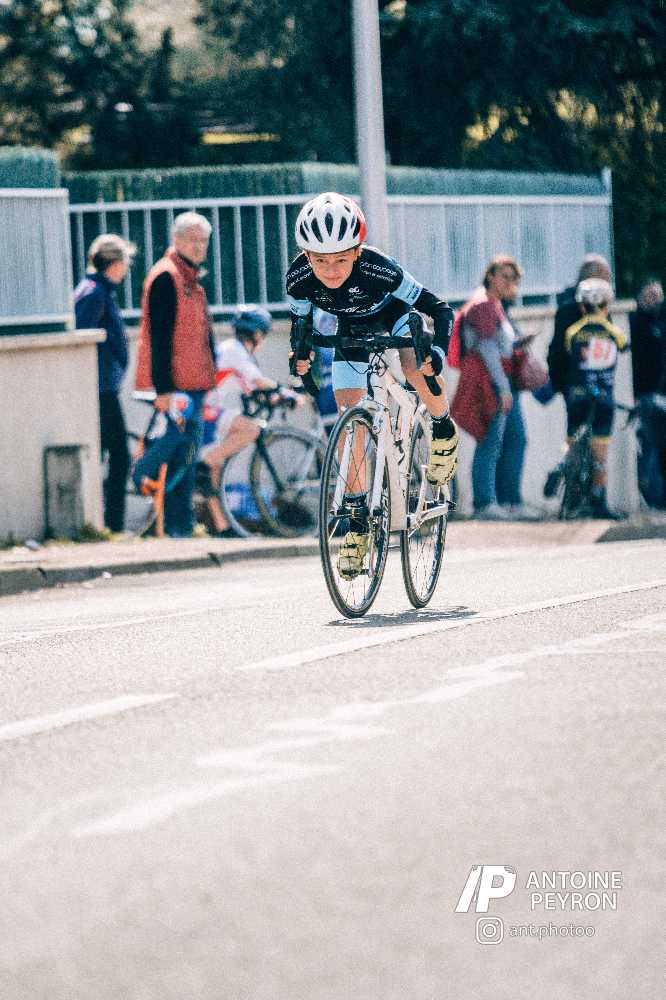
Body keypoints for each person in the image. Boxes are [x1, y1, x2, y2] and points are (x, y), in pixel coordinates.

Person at [286, 191, 457, 579]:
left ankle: (444, 429)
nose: (331, 270)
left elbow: (439, 309)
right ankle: (358, 520)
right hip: (351, 329)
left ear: (357, 251)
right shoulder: (298, 278)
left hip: (396, 318)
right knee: (350, 423)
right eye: (320, 261)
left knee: (415, 369)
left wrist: (438, 352)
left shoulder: (379, 269)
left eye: (341, 259)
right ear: (306, 256)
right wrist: (301, 355)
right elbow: (301, 326)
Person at [134, 212, 217, 537]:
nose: (199, 247)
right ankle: (171, 520)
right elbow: (159, 336)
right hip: (176, 387)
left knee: (187, 454)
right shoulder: (167, 277)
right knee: (178, 451)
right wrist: (164, 389)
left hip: (193, 383)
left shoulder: (190, 278)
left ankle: (179, 525)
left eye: (203, 241)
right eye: (192, 240)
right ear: (176, 240)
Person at [196, 305, 301, 535]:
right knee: (252, 429)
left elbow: (251, 388)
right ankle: (203, 464)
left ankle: (222, 527)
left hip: (205, 408)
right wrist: (289, 395)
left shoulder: (234, 350)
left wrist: (276, 397)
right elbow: (258, 381)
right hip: (204, 409)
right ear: (257, 334)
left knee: (215, 469)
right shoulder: (235, 351)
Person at [453, 256, 537, 520]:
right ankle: (485, 503)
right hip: (490, 383)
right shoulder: (483, 305)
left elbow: (499, 346)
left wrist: (517, 345)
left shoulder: (495, 305)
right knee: (490, 442)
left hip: (500, 381)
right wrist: (503, 389)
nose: (510, 282)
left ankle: (510, 501)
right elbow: (487, 349)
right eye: (505, 276)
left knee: (514, 439)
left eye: (514, 278)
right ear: (490, 276)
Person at [543, 277, 628, 519]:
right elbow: (623, 345)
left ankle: (562, 463)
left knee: (572, 438)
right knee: (600, 450)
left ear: (582, 306)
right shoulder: (613, 332)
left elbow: (568, 348)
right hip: (603, 396)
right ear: (607, 305)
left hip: (577, 393)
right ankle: (599, 501)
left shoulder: (573, 331)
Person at [74, 233, 135, 534]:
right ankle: (112, 524)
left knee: (105, 453)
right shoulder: (95, 293)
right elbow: (82, 339)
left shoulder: (97, 290)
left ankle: (101, 522)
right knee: (119, 456)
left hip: (103, 386)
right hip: (100, 389)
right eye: (125, 261)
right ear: (115, 263)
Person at [548, 253, 612, 398]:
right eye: (605, 276)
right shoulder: (569, 308)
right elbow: (559, 348)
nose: (608, 282)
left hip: (601, 378)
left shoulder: (601, 306)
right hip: (576, 381)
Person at [630, 279, 666, 509]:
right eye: (650, 295)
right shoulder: (635, 324)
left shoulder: (661, 322)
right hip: (646, 394)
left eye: (659, 295)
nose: (656, 300)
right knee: (650, 445)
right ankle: (654, 497)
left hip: (660, 392)